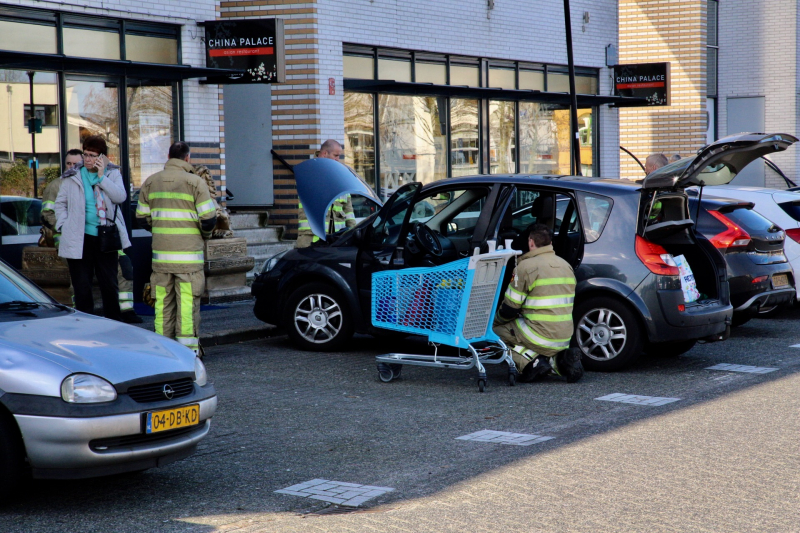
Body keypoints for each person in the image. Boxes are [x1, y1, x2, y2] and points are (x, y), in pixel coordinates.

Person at [136, 141, 216, 355]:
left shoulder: (150, 182)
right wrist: (204, 235)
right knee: (187, 307)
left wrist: (161, 230)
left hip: (161, 260)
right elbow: (208, 220)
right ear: (187, 158)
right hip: (188, 260)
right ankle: (188, 353)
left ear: (168, 156)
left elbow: (141, 219)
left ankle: (164, 352)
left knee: (163, 306)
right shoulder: (196, 182)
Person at [493, 224, 583, 383]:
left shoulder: (525, 267)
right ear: (550, 243)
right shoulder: (566, 265)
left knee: (495, 332)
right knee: (526, 327)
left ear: (531, 242)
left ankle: (530, 362)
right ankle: (561, 362)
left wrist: (495, 320)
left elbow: (510, 308)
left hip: (539, 336)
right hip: (565, 336)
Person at [55, 136, 130, 321]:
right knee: (82, 286)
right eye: (85, 155)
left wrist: (101, 176)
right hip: (79, 237)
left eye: (92, 155)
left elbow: (120, 196)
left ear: (101, 157)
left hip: (105, 237)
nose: (87, 159)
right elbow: (60, 204)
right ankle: (85, 326)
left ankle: (113, 323)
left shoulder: (112, 173)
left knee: (109, 284)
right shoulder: (72, 175)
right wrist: (64, 224)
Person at [296, 139, 356, 248]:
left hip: (336, 241)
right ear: (324, 154)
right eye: (336, 155)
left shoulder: (339, 177)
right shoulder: (309, 172)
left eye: (339, 156)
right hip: (311, 240)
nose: (338, 159)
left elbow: (348, 210)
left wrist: (353, 233)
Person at [41, 149, 83, 248]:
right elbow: (46, 214)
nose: (71, 167)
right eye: (69, 163)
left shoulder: (87, 184)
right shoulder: (55, 186)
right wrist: (64, 227)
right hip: (63, 240)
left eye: (75, 164)